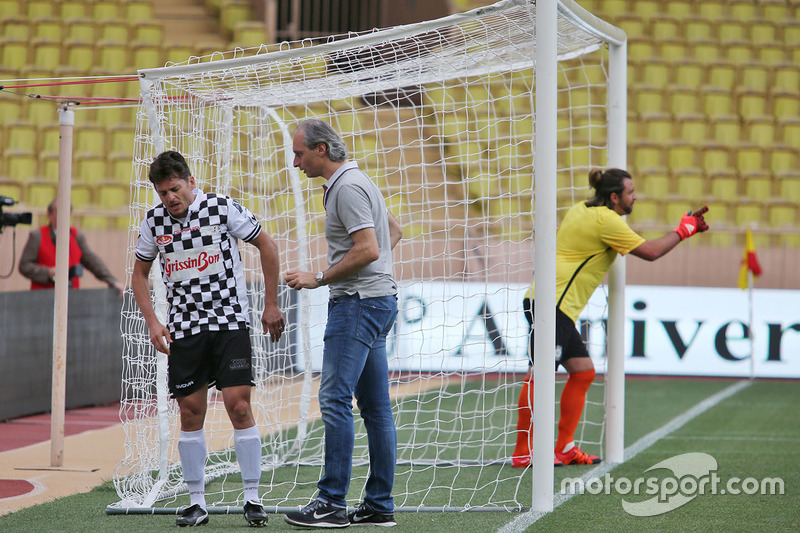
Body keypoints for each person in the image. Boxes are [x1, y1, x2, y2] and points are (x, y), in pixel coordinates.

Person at [512, 168, 709, 467]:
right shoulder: (608, 222)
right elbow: (651, 252)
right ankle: (522, 452)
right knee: (540, 376)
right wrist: (684, 230)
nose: (636, 196)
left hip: (550, 302)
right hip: (552, 306)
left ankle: (563, 448)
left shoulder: (582, 208)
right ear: (614, 197)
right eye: (631, 192)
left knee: (582, 371)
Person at [131, 151, 285, 528]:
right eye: (163, 192)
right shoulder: (154, 222)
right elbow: (138, 274)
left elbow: (267, 245)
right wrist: (153, 321)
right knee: (190, 413)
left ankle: (252, 497)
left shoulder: (220, 208)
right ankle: (197, 502)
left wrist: (270, 303)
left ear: (190, 182)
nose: (170, 198)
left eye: (175, 188)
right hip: (184, 330)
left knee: (239, 406)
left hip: (230, 323)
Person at [283, 119, 402, 528]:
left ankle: (332, 502)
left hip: (357, 304)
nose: (295, 162)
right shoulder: (359, 181)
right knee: (376, 409)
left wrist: (319, 277)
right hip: (379, 299)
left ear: (321, 150)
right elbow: (394, 232)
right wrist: (371, 265)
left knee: (335, 399)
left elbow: (368, 247)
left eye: (299, 153)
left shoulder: (347, 188)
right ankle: (379, 505)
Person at [19, 199, 125, 294]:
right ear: (49, 214)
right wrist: (47, 273)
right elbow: (24, 266)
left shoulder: (76, 236)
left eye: (67, 212)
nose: (63, 216)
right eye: (59, 212)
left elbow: (92, 261)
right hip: (43, 296)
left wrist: (112, 281)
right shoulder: (37, 236)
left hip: (71, 296)